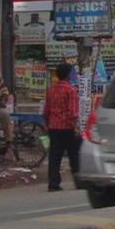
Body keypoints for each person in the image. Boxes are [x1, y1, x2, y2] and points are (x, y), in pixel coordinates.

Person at [43, 63, 80, 192]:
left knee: (54, 157)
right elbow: (72, 112)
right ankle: (78, 182)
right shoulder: (71, 90)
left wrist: (48, 124)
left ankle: (53, 183)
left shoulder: (51, 89)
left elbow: (46, 111)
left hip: (54, 127)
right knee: (74, 156)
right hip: (68, 127)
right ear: (69, 74)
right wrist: (75, 127)